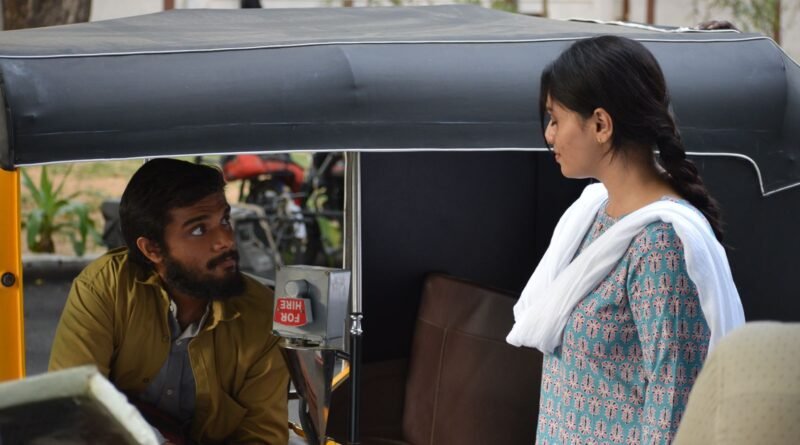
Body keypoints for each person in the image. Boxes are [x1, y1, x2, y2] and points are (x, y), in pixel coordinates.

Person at [506, 36, 745, 444]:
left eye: (555, 119)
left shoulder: (660, 246)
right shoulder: (593, 212)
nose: (549, 134)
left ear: (601, 124)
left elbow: (674, 409)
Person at [49, 158, 290, 444]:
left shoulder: (262, 314)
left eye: (225, 220)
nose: (225, 240)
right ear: (152, 249)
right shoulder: (106, 287)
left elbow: (262, 437)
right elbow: (72, 409)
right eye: (199, 229)